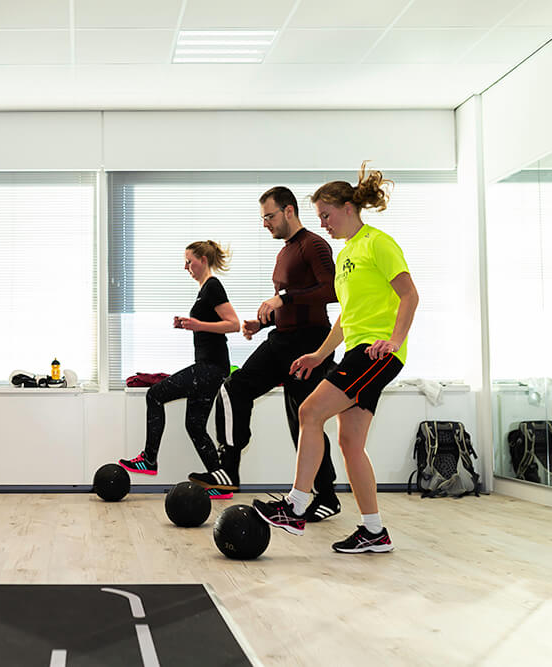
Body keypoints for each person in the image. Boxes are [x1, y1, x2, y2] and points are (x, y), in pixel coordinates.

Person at [253, 162, 419, 554]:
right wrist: (318, 354)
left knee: (309, 412)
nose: (323, 223)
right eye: (319, 218)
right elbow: (348, 317)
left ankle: (295, 506)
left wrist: (394, 341)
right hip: (358, 349)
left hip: (377, 353)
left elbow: (410, 295)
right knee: (349, 442)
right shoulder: (347, 255)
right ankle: (374, 531)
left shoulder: (378, 243)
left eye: (326, 215)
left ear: (349, 207)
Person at [189, 187, 342, 522]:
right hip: (284, 337)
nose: (265, 224)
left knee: (303, 420)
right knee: (237, 389)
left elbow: (330, 289)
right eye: (263, 219)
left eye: (269, 217)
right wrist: (262, 322)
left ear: (289, 211)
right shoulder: (285, 252)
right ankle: (229, 468)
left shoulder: (314, 244)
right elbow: (291, 301)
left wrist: (282, 300)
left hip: (310, 343)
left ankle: (326, 495)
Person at [119, 241, 240, 498]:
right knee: (195, 426)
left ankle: (149, 460)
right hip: (211, 368)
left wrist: (197, 323)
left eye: (189, 261)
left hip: (210, 367)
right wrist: (189, 324)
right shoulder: (204, 290)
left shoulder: (212, 286)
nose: (186, 267)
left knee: (155, 395)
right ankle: (221, 482)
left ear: (203, 260)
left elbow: (233, 324)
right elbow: (210, 323)